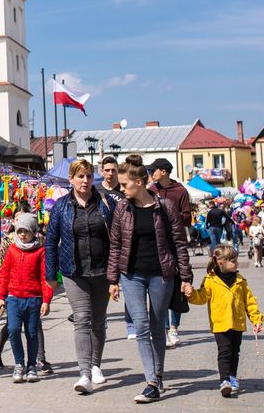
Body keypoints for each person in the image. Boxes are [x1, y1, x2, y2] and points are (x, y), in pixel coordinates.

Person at [108, 157, 193, 404]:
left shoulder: (164, 207)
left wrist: (186, 277)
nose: (121, 189)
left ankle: (157, 375)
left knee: (157, 327)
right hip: (131, 275)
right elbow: (115, 245)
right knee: (141, 327)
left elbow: (179, 243)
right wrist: (113, 278)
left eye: (125, 184)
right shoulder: (122, 209)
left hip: (161, 274)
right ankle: (152, 381)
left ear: (139, 182)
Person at [45, 160, 117, 395]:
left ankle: (96, 364)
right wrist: (50, 274)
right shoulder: (60, 207)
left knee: (98, 320)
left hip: (102, 270)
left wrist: (116, 273)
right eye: (80, 176)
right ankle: (84, 373)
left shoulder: (105, 203)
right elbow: (51, 241)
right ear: (71, 179)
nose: (84, 181)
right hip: (73, 272)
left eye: (88, 176)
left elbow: (116, 240)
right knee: (83, 319)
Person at [186, 243, 264, 397]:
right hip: (220, 323)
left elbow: (250, 302)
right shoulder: (210, 279)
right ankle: (224, 380)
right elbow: (202, 297)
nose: (236, 263)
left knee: (235, 352)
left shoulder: (240, 280)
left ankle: (233, 377)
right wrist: (191, 295)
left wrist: (256, 319)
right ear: (221, 263)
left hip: (237, 323)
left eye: (236, 260)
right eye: (232, 261)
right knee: (224, 352)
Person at [0, 213, 53, 383]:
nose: (22, 234)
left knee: (32, 334)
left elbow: (45, 277)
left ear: (34, 232)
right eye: (19, 230)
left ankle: (31, 366)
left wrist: (46, 300)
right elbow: (4, 275)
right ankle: (19, 363)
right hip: (13, 298)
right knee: (13, 330)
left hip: (34, 299)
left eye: (26, 231)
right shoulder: (12, 250)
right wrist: (0, 297)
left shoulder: (40, 252)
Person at [147, 157, 190, 348]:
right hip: (156, 244)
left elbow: (187, 217)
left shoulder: (180, 191)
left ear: (163, 171)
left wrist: (169, 215)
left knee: (176, 286)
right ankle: (163, 330)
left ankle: (174, 327)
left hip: (174, 242)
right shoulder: (151, 189)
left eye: (153, 170)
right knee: (161, 288)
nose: (151, 173)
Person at [99, 156, 135, 339]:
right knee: (103, 286)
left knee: (128, 285)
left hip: (124, 244)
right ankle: (101, 319)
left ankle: (131, 325)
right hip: (103, 245)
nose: (110, 173)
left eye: (113, 170)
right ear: (102, 171)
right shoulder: (96, 191)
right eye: (107, 170)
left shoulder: (124, 190)